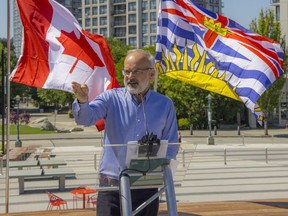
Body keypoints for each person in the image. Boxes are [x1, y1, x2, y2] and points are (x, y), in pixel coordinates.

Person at [72, 49, 179, 216]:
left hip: (147, 185)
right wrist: (82, 101)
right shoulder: (110, 98)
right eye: (127, 71)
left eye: (136, 71)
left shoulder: (165, 105)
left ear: (151, 74)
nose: (130, 77)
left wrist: (161, 169)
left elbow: (171, 145)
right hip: (111, 185)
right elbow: (85, 118)